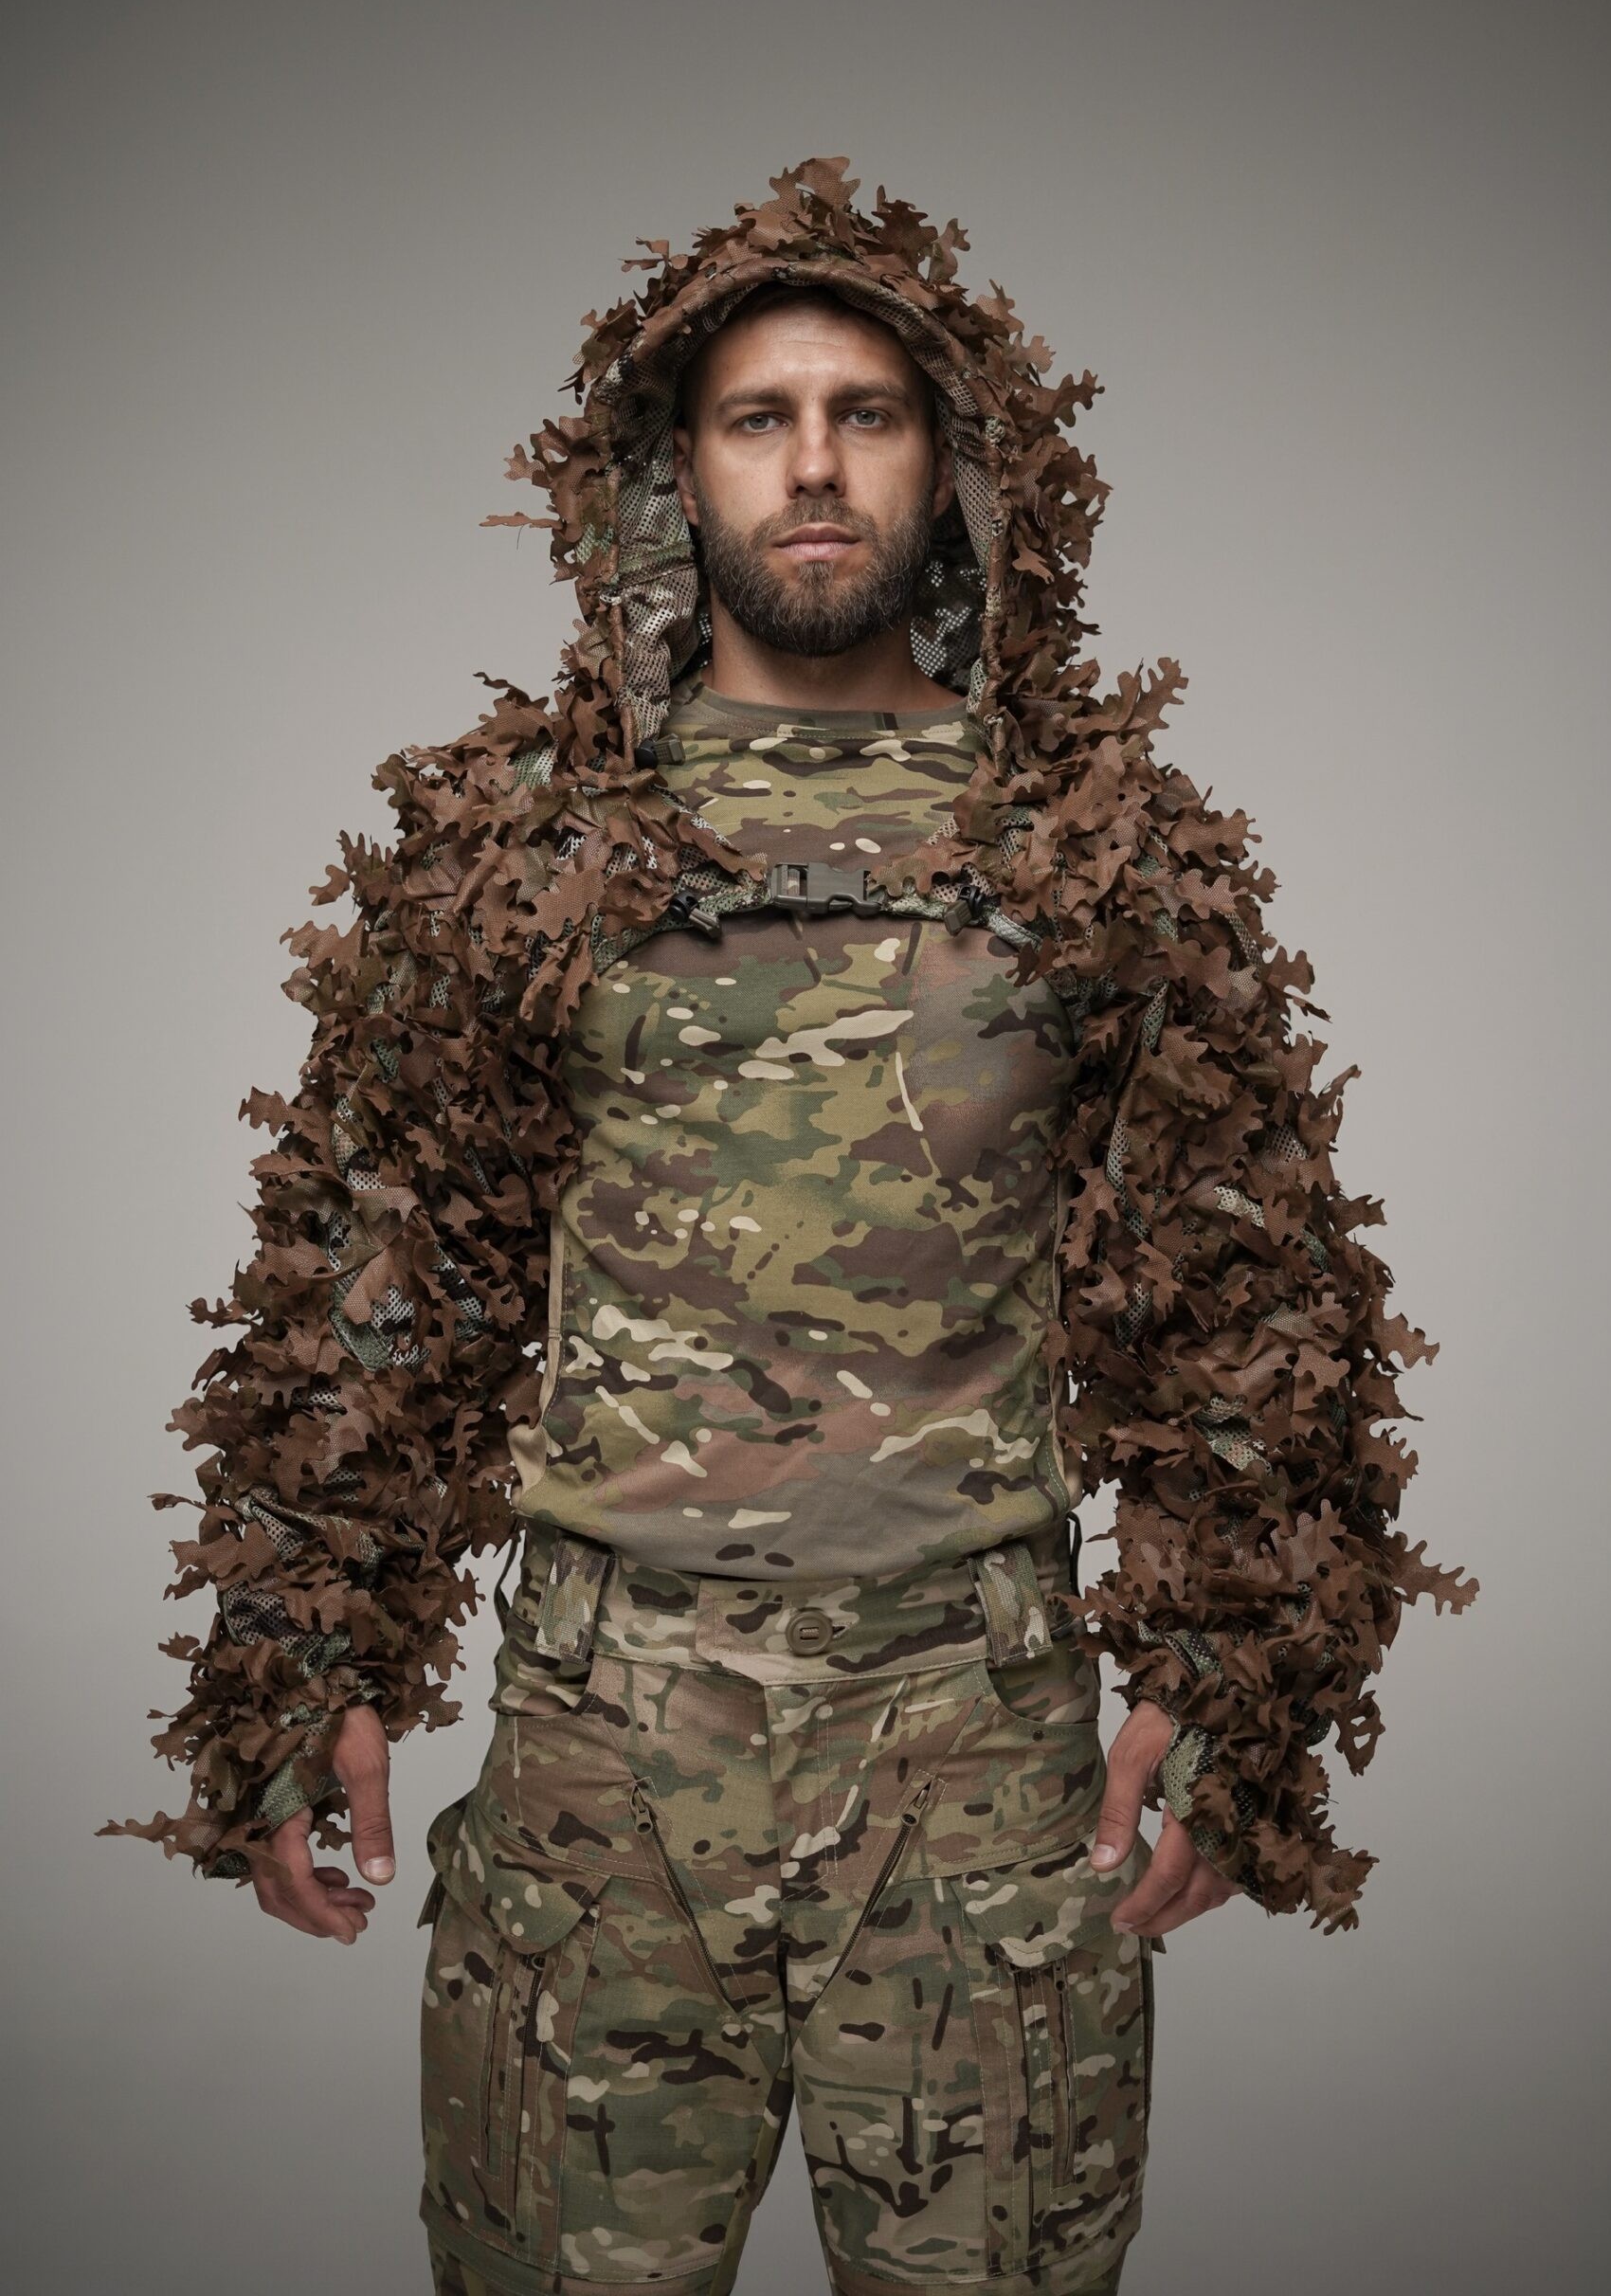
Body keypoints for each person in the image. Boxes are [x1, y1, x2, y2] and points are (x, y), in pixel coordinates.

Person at [107, 158, 1475, 2296]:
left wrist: (1237, 1683)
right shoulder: (527, 841)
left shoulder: (1092, 845)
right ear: (676, 471)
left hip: (975, 1753)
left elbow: (1251, 1292)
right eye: (760, 416)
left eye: (867, 414)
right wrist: (298, 1658)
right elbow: (378, 1273)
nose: (815, 465)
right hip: (603, 1757)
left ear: (954, 469)